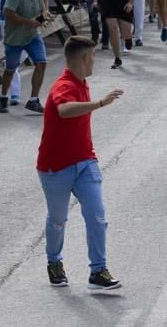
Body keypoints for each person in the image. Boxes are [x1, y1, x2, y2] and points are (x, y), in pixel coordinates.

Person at [37, 36, 124, 292]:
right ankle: (54, 263)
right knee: (58, 219)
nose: (95, 61)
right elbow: (64, 110)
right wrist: (99, 103)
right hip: (55, 167)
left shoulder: (82, 82)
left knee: (97, 216)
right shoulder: (63, 85)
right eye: (93, 56)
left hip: (85, 162)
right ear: (84, 58)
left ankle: (98, 271)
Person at [0, 0, 51, 114]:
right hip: (15, 37)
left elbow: (42, 9)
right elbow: (7, 12)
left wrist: (43, 17)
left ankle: (34, 100)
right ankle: (3, 96)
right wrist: (28, 22)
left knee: (42, 63)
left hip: (33, 35)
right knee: (10, 69)